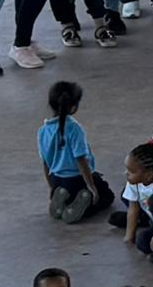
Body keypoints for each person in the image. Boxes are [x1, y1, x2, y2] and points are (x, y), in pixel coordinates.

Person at [38, 79, 110, 223]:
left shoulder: (42, 131)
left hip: (56, 179)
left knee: (71, 191)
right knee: (107, 195)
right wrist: (92, 187)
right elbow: (81, 160)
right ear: (73, 107)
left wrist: (52, 187)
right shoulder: (74, 129)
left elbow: (45, 163)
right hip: (76, 179)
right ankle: (81, 207)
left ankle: (63, 199)